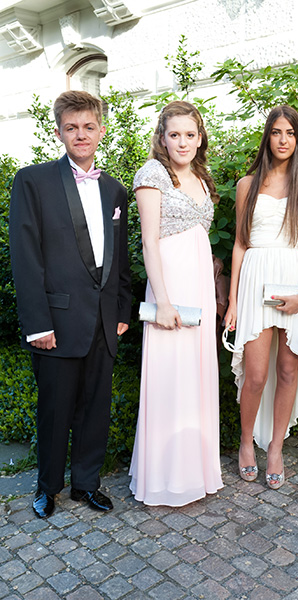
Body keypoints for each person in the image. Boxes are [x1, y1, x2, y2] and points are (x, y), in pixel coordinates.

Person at [9, 90, 132, 518]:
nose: (81, 134)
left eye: (89, 127)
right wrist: (37, 323)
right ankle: (48, 487)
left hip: (104, 321)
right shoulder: (32, 181)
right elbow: (25, 257)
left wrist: (122, 311)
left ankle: (86, 484)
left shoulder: (115, 190)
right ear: (59, 132)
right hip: (56, 322)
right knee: (55, 410)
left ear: (101, 131)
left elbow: (120, 259)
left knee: (95, 409)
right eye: (72, 127)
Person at [224, 105, 298, 489]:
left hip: (295, 279)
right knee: (255, 374)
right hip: (255, 280)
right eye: (277, 132)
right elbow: (240, 244)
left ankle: (277, 449)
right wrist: (234, 301)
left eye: (291, 133)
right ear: (267, 137)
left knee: (287, 370)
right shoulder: (247, 185)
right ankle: (246, 442)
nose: (283, 140)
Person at [129, 100, 223, 506]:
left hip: (199, 287)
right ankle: (164, 477)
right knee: (171, 378)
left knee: (195, 375)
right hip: (170, 289)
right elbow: (150, 242)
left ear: (200, 139)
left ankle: (194, 471)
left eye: (190, 134)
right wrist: (163, 302)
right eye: (174, 134)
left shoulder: (200, 176)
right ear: (162, 138)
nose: (182, 142)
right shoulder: (152, 174)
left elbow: (198, 237)